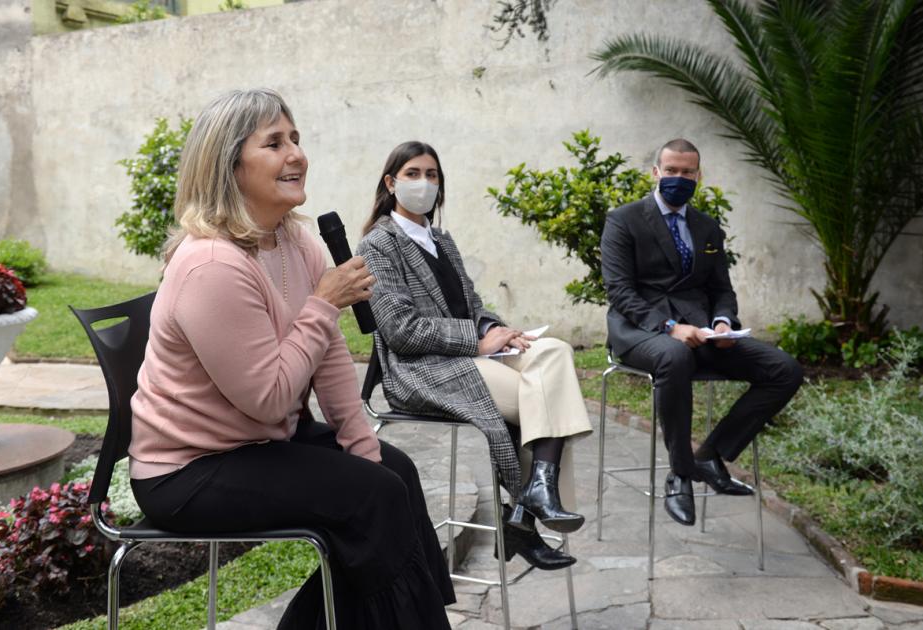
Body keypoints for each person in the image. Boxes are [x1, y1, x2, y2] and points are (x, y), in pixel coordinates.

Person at [127, 89, 454, 629]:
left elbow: (327, 365)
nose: (296, 154)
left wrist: (361, 447)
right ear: (228, 167)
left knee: (395, 473)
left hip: (259, 443)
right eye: (274, 143)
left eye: (295, 139)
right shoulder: (211, 264)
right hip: (189, 470)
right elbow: (269, 399)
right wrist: (323, 303)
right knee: (371, 501)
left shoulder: (298, 243)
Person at [357, 141, 593, 570]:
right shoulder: (378, 244)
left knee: (554, 353)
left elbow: (471, 304)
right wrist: (476, 341)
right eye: (413, 174)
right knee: (547, 398)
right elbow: (400, 330)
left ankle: (533, 501)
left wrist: (495, 331)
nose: (424, 183)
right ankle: (528, 509)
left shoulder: (441, 240)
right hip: (422, 368)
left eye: (432, 175)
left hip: (470, 354)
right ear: (391, 183)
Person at [600, 138, 803, 526]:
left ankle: (710, 455)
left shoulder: (706, 227)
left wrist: (724, 323)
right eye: (671, 171)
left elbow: (721, 290)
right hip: (640, 330)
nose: (679, 178)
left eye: (687, 172)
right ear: (655, 172)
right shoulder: (623, 220)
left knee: (784, 370)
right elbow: (620, 292)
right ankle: (680, 476)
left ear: (698, 175)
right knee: (674, 356)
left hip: (702, 331)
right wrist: (671, 327)